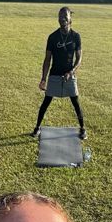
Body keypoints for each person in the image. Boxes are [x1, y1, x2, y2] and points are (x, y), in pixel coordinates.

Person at [32, 7, 87, 140]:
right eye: (60, 16)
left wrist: (72, 71)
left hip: (70, 76)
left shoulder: (76, 36)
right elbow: (47, 59)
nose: (62, 18)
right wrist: (43, 78)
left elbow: (79, 58)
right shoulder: (53, 37)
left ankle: (83, 129)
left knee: (76, 102)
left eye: (65, 16)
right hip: (55, 75)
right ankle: (37, 128)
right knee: (46, 101)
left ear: (70, 18)